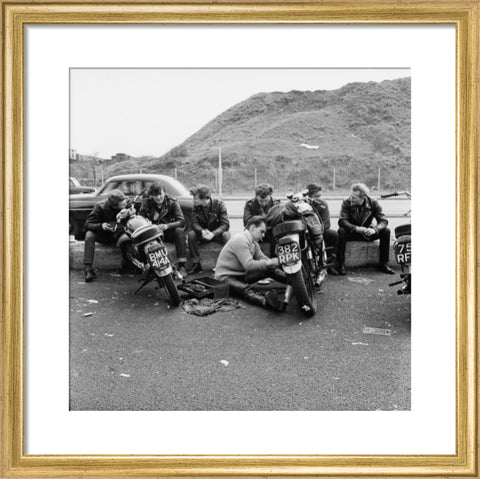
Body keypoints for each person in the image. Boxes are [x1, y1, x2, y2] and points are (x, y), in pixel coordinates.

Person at [215, 216, 286, 311]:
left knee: (269, 268)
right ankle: (267, 302)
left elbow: (264, 259)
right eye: (262, 231)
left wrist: (281, 262)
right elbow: (249, 265)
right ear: (252, 228)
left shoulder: (254, 243)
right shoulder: (240, 239)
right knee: (246, 289)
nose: (263, 235)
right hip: (225, 279)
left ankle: (291, 281)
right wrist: (271, 261)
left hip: (241, 276)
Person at [336, 183, 394, 275]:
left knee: (386, 231)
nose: (351, 198)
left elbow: (383, 220)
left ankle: (383, 263)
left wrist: (375, 230)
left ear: (362, 198)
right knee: (341, 231)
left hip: (367, 233)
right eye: (351, 196)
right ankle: (340, 264)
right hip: (352, 232)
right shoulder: (346, 202)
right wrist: (356, 228)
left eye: (354, 197)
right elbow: (342, 221)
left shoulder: (373, 202)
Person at [83, 189, 135, 282]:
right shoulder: (100, 207)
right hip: (104, 234)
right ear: (114, 206)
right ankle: (88, 269)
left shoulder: (127, 202)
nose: (124, 205)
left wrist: (131, 212)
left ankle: (128, 264)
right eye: (121, 205)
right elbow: (87, 224)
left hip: (120, 234)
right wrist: (101, 226)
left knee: (129, 234)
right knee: (89, 235)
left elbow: (133, 210)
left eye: (124, 202)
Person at [138, 182, 188, 277]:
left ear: (164, 193)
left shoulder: (172, 202)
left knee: (180, 231)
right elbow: (140, 218)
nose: (158, 197)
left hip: (168, 232)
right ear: (151, 196)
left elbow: (181, 221)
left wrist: (167, 226)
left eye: (160, 194)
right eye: (155, 195)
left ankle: (182, 266)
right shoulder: (146, 202)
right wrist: (148, 224)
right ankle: (146, 265)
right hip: (153, 234)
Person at [187, 184, 231, 274]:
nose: (193, 200)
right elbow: (194, 223)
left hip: (216, 234)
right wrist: (202, 231)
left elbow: (225, 224)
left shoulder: (219, 204)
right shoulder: (195, 206)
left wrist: (213, 233)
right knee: (191, 235)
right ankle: (196, 264)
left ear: (204, 199)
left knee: (227, 235)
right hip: (203, 234)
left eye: (195, 198)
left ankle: (228, 264)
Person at [305, 184, 339, 275]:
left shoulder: (323, 204)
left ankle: (329, 265)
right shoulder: (302, 204)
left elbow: (326, 224)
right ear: (308, 196)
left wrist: (317, 232)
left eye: (320, 196)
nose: (319, 199)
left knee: (333, 234)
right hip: (305, 233)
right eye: (316, 196)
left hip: (319, 231)